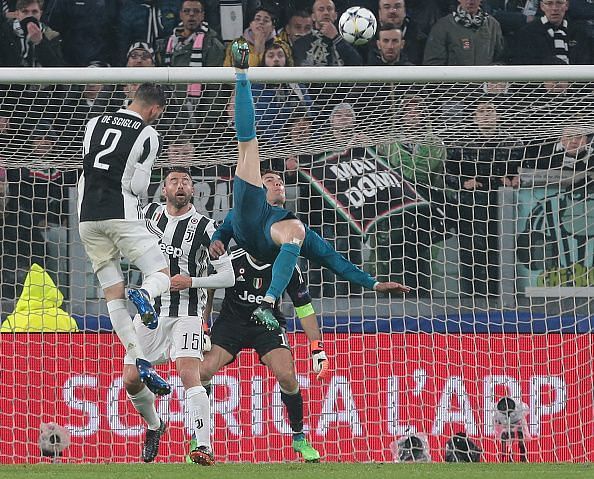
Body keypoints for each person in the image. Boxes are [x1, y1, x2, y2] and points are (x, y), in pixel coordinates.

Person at [209, 41, 409, 330]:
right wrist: (218, 238)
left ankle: (268, 304)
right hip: (249, 216)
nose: (277, 183)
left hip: (270, 240)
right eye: (271, 181)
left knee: (298, 231)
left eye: (279, 180)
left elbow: (336, 262)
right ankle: (242, 75)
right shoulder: (253, 199)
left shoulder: (291, 224)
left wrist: (374, 284)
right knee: (248, 145)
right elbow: (226, 226)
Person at [122, 166, 234, 464]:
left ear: (193, 191)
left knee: (188, 372)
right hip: (151, 312)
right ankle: (155, 425)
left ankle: (203, 445)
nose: (180, 185)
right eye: (174, 181)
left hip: (187, 312)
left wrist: (192, 281)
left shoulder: (207, 228)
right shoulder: (149, 217)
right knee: (131, 380)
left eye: (186, 181)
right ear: (164, 189)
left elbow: (228, 276)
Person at [77, 84, 172, 403]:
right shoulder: (148, 134)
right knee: (160, 270)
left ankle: (140, 359)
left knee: (113, 296)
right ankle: (145, 293)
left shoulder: (94, 123)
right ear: (155, 110)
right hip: (121, 213)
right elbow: (139, 185)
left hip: (86, 218)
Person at [201, 227, 327, 463]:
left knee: (287, 374)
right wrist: (204, 326)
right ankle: (200, 440)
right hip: (232, 323)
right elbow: (207, 290)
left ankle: (299, 438)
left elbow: (304, 308)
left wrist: (317, 347)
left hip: (266, 322)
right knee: (203, 371)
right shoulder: (232, 259)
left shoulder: (286, 264)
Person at [506, 0, 591, 65]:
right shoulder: (527, 33)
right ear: (542, 6)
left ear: (567, 5)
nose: (554, 8)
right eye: (549, 3)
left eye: (559, 3)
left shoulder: (580, 33)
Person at [423, 0, 504, 65]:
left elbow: (500, 59)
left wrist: (496, 80)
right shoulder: (443, 26)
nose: (471, 1)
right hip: (453, 84)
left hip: (485, 84)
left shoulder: (493, 25)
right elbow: (433, 64)